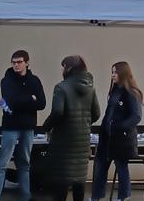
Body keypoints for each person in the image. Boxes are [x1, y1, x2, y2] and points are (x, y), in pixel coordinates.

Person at [0, 49, 46, 201]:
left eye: (19, 62)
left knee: (25, 162)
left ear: (27, 63)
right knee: (3, 162)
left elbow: (42, 103)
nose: (16, 65)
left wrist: (22, 100)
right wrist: (30, 99)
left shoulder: (34, 80)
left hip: (27, 126)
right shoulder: (6, 80)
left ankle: (26, 196)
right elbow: (10, 101)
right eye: (14, 63)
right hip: (10, 126)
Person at [44, 55, 101, 201]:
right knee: (79, 183)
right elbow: (97, 114)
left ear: (69, 68)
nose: (62, 70)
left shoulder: (61, 87)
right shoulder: (91, 88)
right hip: (82, 142)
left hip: (63, 142)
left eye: (63, 66)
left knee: (61, 183)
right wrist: (84, 124)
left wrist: (46, 126)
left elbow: (57, 112)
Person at [91, 62, 144, 201]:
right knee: (100, 167)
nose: (112, 75)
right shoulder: (115, 90)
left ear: (123, 74)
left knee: (121, 167)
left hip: (121, 138)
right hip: (107, 137)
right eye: (112, 72)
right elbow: (110, 113)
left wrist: (119, 127)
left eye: (115, 72)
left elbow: (136, 116)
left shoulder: (131, 93)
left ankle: (124, 196)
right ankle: (96, 196)